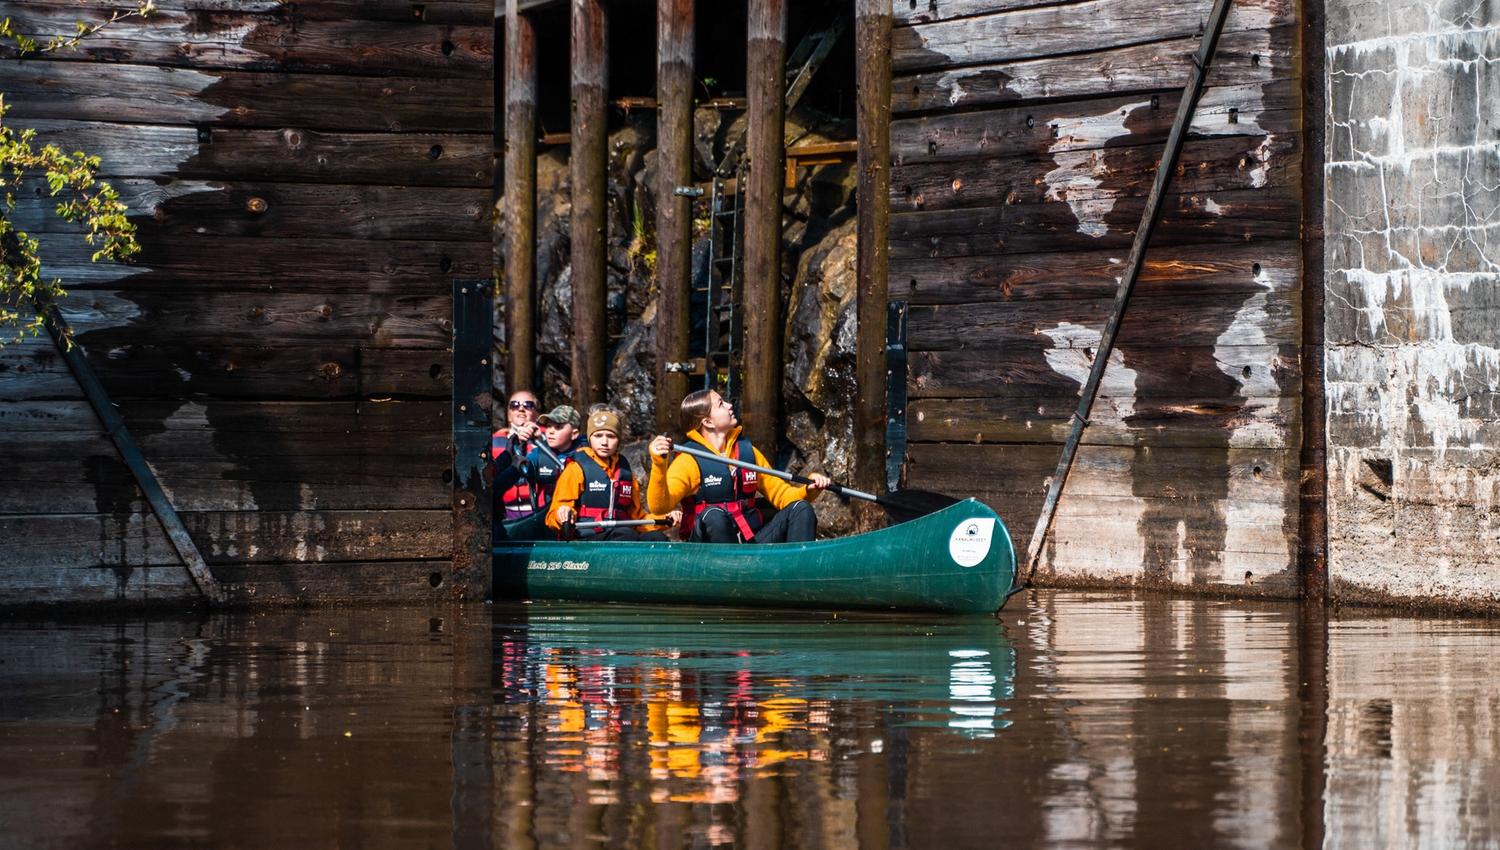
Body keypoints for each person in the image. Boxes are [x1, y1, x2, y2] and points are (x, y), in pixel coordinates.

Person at [647, 389, 831, 543]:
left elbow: (783, 496)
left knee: (801, 508)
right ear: (708, 422)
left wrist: (809, 490)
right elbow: (660, 507)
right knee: (713, 515)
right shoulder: (688, 460)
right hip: (706, 551)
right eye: (721, 404)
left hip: (748, 543)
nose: (729, 405)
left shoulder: (748, 453)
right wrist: (659, 463)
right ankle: (728, 572)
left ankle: (797, 572)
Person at [547, 409, 679, 541]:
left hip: (620, 534)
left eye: (611, 436)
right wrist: (562, 514)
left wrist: (665, 519)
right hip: (587, 538)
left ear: (618, 440)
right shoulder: (576, 468)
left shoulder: (625, 472)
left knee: (657, 538)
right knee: (626, 534)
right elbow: (552, 516)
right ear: (589, 438)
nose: (604, 442)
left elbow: (637, 519)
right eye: (598, 436)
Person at [496, 404, 584, 515]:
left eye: (558, 427)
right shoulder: (538, 454)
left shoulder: (587, 454)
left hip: (578, 518)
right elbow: (517, 476)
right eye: (549, 426)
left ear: (574, 434)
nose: (551, 431)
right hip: (545, 517)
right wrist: (519, 447)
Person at [493, 390, 544, 519]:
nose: (521, 409)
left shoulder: (546, 439)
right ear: (509, 415)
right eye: (514, 405)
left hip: (538, 512)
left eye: (528, 405)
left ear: (537, 414)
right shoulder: (494, 441)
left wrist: (539, 440)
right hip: (504, 512)